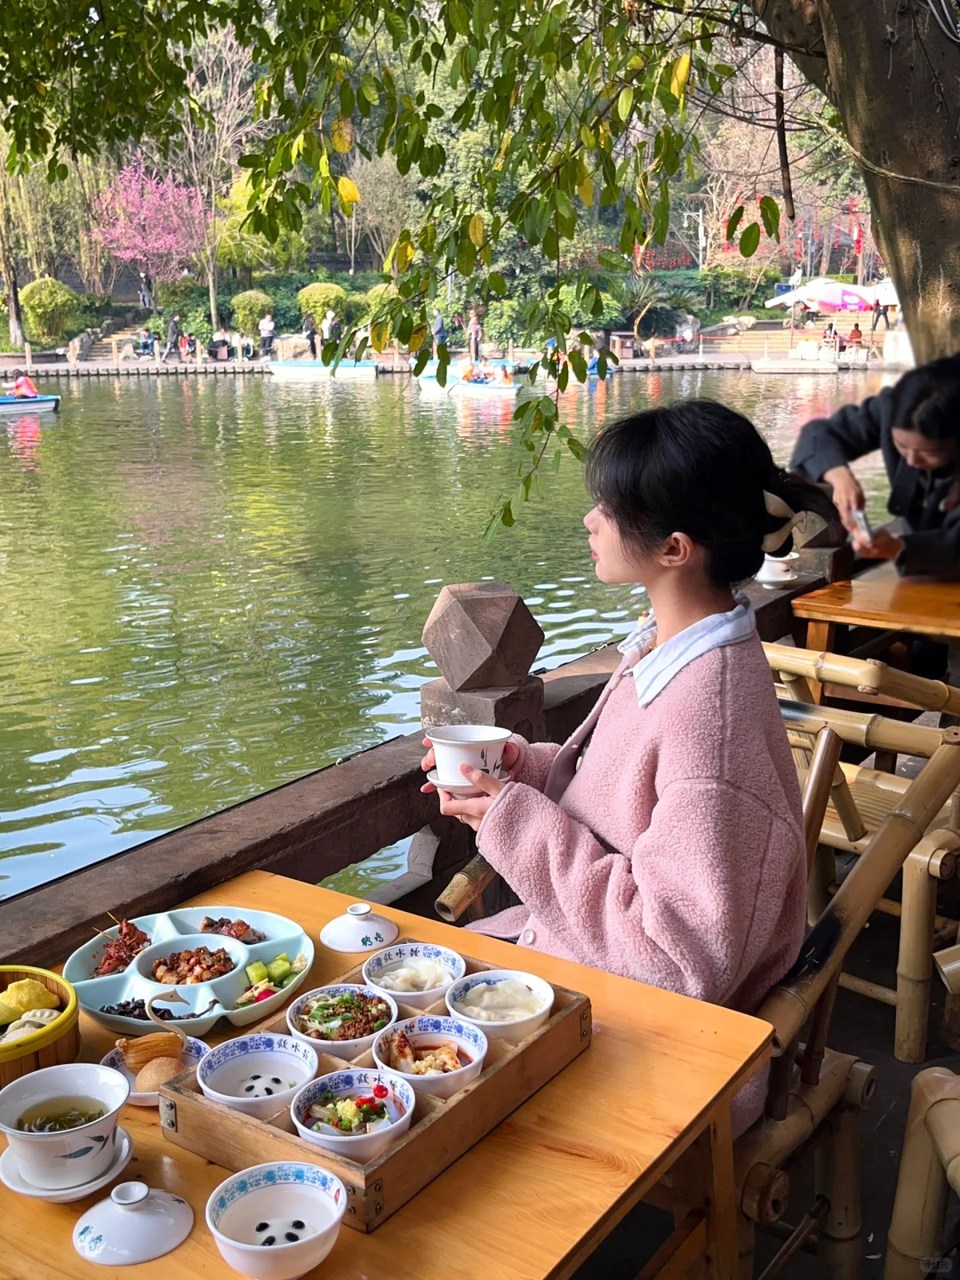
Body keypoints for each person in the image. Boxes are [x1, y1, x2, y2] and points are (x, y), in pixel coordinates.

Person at [422, 400, 827, 1135]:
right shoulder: (676, 647)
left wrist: (516, 822)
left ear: (674, 549)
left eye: (609, 509)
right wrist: (527, 771)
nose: (590, 521)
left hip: (658, 1047)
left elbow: (678, 959)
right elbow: (632, 802)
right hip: (583, 978)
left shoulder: (711, 717)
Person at [791, 354, 960, 577]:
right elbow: (819, 434)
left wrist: (899, 548)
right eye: (901, 446)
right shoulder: (891, 408)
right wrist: (840, 477)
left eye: (928, 453)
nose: (911, 461)